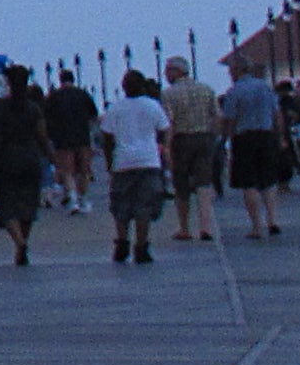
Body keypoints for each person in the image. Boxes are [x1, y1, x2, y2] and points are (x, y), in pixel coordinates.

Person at [0, 65, 52, 266]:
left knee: (8, 204)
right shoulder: (33, 108)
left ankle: (19, 242)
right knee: (28, 204)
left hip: (4, 159)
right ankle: (24, 240)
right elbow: (42, 137)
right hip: (29, 158)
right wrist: (53, 160)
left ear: (7, 83)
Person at [99, 70, 170, 264]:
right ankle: (142, 246)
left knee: (121, 205)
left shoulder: (116, 108)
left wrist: (109, 163)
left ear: (124, 87)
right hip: (148, 160)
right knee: (144, 206)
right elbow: (164, 129)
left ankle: (122, 243)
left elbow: (106, 137)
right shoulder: (152, 106)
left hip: (123, 161)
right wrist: (161, 150)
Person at [222, 61, 287, 240]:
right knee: (268, 180)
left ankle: (257, 226)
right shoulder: (265, 87)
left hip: (245, 138)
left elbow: (230, 119)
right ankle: (273, 220)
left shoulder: (234, 92)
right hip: (266, 135)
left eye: (231, 71)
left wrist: (226, 140)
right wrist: (280, 136)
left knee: (248, 183)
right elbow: (277, 114)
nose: (230, 75)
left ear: (238, 70)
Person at [160, 57, 221, 241]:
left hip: (181, 139)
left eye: (168, 70)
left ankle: (185, 228)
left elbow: (169, 122)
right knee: (203, 183)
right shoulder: (206, 89)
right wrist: (213, 136)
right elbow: (217, 116)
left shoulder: (169, 94)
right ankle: (206, 227)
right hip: (204, 137)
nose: (165, 74)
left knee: (181, 185)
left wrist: (167, 147)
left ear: (176, 72)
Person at [45, 70, 101, 216]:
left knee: (67, 171)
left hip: (62, 137)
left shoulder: (54, 96)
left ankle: (73, 200)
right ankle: (83, 199)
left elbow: (47, 118)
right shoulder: (83, 94)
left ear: (61, 80)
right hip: (82, 136)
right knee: (84, 170)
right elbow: (93, 116)